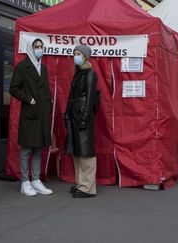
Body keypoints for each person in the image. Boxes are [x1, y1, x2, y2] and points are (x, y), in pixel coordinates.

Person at [10, 39, 53, 196]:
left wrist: (49, 104)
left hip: (42, 114)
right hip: (30, 113)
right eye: (37, 47)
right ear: (30, 48)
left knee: (38, 149)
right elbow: (13, 88)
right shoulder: (22, 67)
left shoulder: (44, 68)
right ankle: (24, 182)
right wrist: (29, 99)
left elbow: (46, 89)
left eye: (41, 47)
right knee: (27, 149)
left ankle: (36, 180)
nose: (39, 49)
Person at [64, 45, 98, 198]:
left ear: (85, 56)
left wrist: (84, 119)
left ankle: (88, 188)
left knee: (86, 153)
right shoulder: (78, 73)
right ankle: (80, 183)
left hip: (83, 116)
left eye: (78, 54)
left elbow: (90, 97)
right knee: (77, 151)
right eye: (74, 53)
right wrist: (66, 114)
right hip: (74, 116)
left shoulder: (90, 74)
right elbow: (71, 96)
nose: (75, 56)